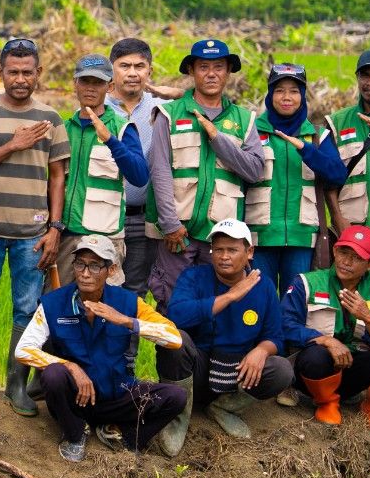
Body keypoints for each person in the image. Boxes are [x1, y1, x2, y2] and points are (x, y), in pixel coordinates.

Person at [0, 37, 68, 416]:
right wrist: (12, 145)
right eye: (13, 72)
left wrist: (55, 228)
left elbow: (58, 178)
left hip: (33, 234)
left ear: (38, 73)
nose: (20, 79)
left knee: (26, 310)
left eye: (27, 72)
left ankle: (16, 385)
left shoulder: (52, 119)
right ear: (1, 72)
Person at [16, 235, 185, 462]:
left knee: (176, 397)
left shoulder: (128, 302)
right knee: (54, 375)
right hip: (76, 399)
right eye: (80, 264)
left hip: (117, 394)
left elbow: (174, 339)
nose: (85, 273)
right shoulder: (54, 303)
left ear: (112, 270)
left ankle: (123, 435)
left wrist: (127, 321)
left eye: (95, 266)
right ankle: (75, 433)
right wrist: (71, 366)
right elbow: (24, 350)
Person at [156, 219, 293, 455]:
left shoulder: (264, 286)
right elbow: (176, 315)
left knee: (281, 369)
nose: (224, 256)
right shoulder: (195, 276)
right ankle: (178, 417)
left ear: (249, 252)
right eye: (218, 249)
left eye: (232, 250)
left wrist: (261, 350)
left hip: (237, 372)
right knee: (174, 339)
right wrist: (230, 297)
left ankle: (225, 408)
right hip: (196, 370)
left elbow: (275, 337)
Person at [146, 40, 265, 308]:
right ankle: (175, 352)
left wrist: (217, 138)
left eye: (218, 67)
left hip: (222, 236)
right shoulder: (170, 114)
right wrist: (170, 223)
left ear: (228, 72)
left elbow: (255, 170)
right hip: (179, 233)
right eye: (203, 67)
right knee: (174, 304)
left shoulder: (245, 120)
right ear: (191, 71)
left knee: (220, 304)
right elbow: (160, 170)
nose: (211, 74)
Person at [247, 63, 347, 294]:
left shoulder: (317, 135)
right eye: (279, 90)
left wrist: (305, 149)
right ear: (270, 95)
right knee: (262, 300)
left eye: (294, 91)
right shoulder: (251, 130)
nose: (286, 97)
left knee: (297, 302)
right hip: (259, 236)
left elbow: (337, 174)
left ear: (302, 96)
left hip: (302, 237)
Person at [282, 225, 370, 440]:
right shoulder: (307, 282)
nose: (346, 262)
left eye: (356, 258)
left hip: (355, 372)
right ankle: (327, 403)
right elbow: (285, 324)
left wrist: (368, 319)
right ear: (335, 251)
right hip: (312, 374)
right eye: (343, 253)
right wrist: (324, 340)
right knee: (315, 355)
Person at [57, 54, 149, 285]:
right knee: (60, 307)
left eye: (97, 82)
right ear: (74, 84)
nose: (90, 88)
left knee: (103, 310)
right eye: (85, 81)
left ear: (109, 86)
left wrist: (110, 140)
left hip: (105, 239)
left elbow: (139, 176)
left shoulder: (122, 127)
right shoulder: (63, 129)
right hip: (65, 237)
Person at [106, 38, 173, 297]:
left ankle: (129, 340)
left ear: (150, 71)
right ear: (112, 70)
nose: (132, 73)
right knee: (101, 291)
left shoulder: (164, 109)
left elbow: (205, 100)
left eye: (139, 66)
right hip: (106, 218)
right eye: (124, 66)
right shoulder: (97, 108)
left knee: (135, 293)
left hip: (145, 218)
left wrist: (174, 93)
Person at [324, 48, 370, 281]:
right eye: (365, 75)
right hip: (353, 237)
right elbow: (328, 179)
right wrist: (337, 217)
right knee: (350, 309)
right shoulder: (337, 122)